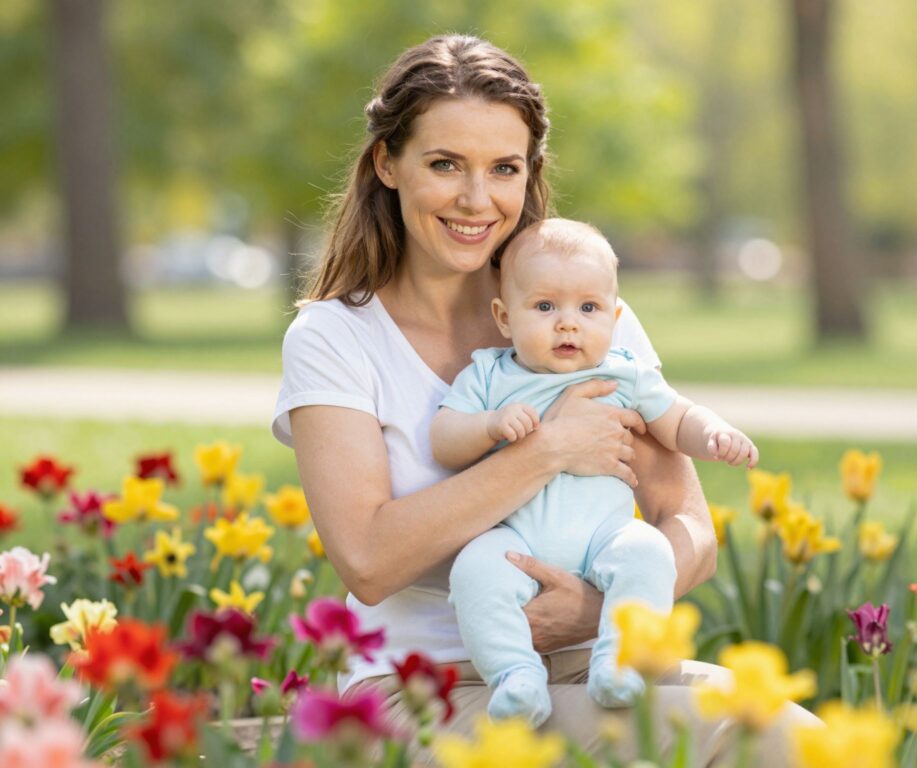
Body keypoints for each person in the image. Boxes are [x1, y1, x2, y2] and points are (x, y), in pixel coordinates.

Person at [272, 34, 816, 766]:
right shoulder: (334, 338)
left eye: (504, 168)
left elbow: (687, 524)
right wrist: (548, 449)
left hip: (597, 667)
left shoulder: (580, 313)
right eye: (444, 165)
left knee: (805, 739)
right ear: (387, 163)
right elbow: (368, 559)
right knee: (769, 741)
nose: (477, 199)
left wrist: (594, 613)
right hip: (417, 691)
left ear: (531, 173)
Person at [432, 218, 758, 727]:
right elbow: (444, 437)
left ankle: (618, 662)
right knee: (474, 570)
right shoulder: (491, 375)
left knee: (648, 551)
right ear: (503, 316)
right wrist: (489, 425)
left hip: (604, 536)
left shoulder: (622, 372)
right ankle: (516, 677)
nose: (568, 324)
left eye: (588, 308)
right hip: (513, 539)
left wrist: (713, 432)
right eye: (544, 307)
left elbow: (675, 418)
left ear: (615, 315)